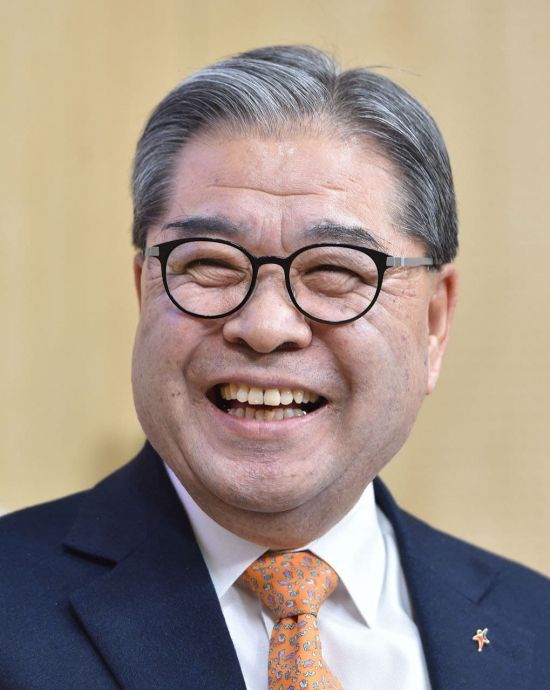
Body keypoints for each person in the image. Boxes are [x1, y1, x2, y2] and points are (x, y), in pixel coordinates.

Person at [0, 45, 547, 690]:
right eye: (209, 263)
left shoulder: (534, 630)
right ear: (145, 291)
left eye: (334, 270)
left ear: (434, 323)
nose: (264, 326)